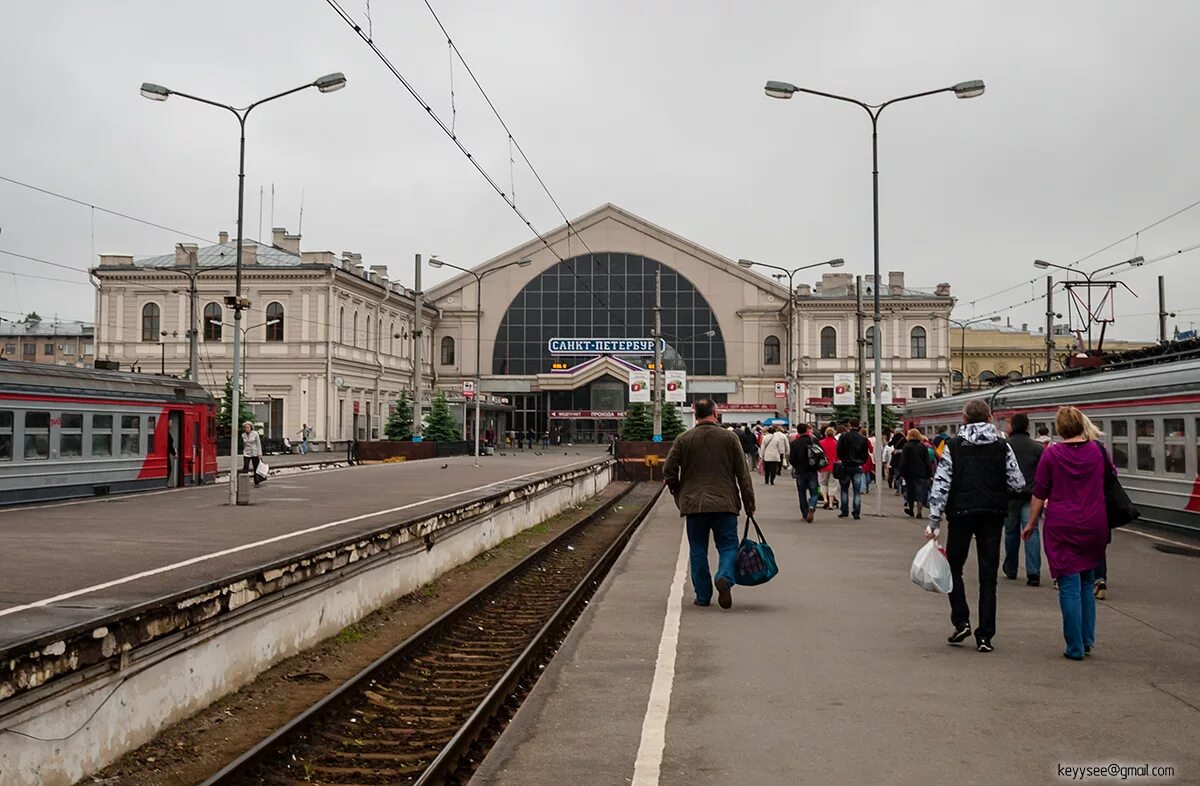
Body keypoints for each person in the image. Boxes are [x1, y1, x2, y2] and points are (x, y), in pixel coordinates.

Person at [926, 400, 1024, 653]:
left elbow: (942, 484)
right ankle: (985, 636)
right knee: (988, 575)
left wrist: (934, 520)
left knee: (954, 568)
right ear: (990, 418)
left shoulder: (954, 446)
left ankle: (961, 620)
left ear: (964, 418)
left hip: (960, 513)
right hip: (992, 514)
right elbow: (1017, 483)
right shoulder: (1003, 446)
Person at [1022, 406, 1112, 660]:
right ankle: (1087, 640)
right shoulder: (1098, 451)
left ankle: (1074, 647)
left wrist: (1030, 523)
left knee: (1069, 585)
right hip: (1095, 523)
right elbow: (1110, 479)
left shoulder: (1052, 454)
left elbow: (1039, 492)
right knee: (1086, 581)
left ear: (1059, 428)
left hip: (1062, 525)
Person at [664, 399, 756, 610]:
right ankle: (724, 576)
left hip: (694, 504)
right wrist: (749, 503)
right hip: (725, 503)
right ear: (715, 413)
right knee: (728, 545)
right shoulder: (729, 437)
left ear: (695, 415)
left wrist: (679, 492)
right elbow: (743, 475)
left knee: (697, 549)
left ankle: (703, 596)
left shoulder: (683, 439)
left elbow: (668, 470)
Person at [1003, 413, 1045, 586]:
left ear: (1012, 427)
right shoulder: (1037, 448)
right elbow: (1043, 475)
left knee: (1011, 532)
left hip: (1010, 497)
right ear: (1028, 427)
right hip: (1031, 497)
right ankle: (1033, 573)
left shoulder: (1004, 446)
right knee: (1032, 531)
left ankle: (1011, 569)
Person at [788, 423, 824, 522]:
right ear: (807, 430)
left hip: (800, 471)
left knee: (801, 493)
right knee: (815, 492)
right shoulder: (813, 440)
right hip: (812, 470)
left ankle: (804, 514)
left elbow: (791, 459)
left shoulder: (795, 443)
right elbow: (820, 453)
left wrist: (797, 466)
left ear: (798, 431)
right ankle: (812, 505)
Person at [836, 419, 871, 519]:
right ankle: (856, 513)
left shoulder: (843, 436)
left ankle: (844, 510)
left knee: (844, 489)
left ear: (849, 425)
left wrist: (843, 459)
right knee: (857, 491)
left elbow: (839, 450)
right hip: (857, 466)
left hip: (846, 466)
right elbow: (865, 453)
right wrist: (861, 462)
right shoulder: (863, 439)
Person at [898, 428, 935, 518]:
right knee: (920, 493)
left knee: (911, 492)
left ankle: (911, 510)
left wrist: (902, 473)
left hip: (910, 474)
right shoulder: (923, 447)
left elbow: (903, 461)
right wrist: (930, 474)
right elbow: (927, 462)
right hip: (922, 473)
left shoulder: (906, 446)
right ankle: (919, 512)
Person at [818, 427, 839, 509]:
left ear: (825, 433)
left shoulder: (821, 443)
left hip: (823, 466)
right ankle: (831, 503)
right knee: (832, 484)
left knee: (823, 483)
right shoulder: (836, 443)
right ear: (833, 434)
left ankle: (825, 499)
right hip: (834, 466)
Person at [241, 421, 264, 486]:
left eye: (248, 427)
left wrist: (260, 454)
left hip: (255, 452)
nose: (246, 428)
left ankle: (257, 482)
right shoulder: (243, 435)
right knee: (245, 467)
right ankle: (244, 482)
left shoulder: (255, 434)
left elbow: (258, 444)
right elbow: (244, 444)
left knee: (256, 467)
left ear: (251, 428)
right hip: (246, 453)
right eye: (245, 427)